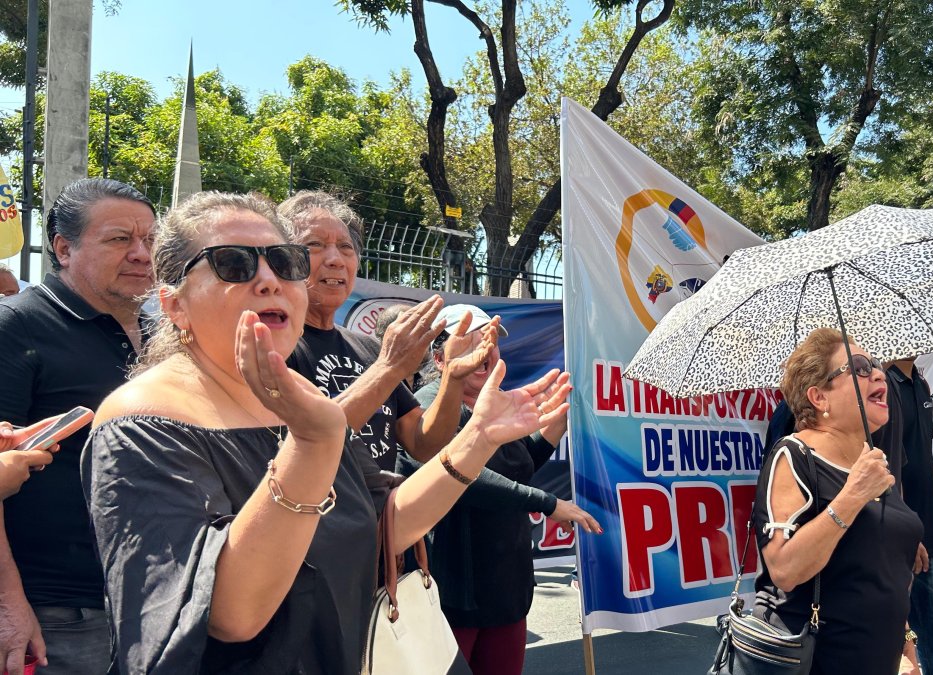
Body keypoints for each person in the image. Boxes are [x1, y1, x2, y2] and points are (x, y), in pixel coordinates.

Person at [81, 190, 572, 672]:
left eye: (284, 261)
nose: (269, 279)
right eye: (234, 264)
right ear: (174, 305)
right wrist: (314, 444)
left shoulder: (296, 399)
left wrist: (478, 438)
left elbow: (387, 526)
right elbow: (231, 615)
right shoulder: (142, 423)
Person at [279, 191, 594, 530]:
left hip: (374, 547)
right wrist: (390, 368)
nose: (336, 260)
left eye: (346, 247)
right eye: (315, 245)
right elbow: (316, 442)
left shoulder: (367, 349)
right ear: (282, 258)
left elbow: (424, 444)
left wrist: (455, 384)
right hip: (307, 542)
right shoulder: (276, 350)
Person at [0, 178, 155, 675]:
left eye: (150, 240)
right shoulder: (16, 326)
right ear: (64, 248)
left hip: (153, 604)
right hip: (56, 617)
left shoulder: (165, 336)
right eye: (119, 239)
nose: (141, 254)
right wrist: (8, 605)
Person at [414, 304, 598, 675]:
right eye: (472, 343)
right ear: (439, 357)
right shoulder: (431, 406)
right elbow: (465, 479)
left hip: (505, 591)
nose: (486, 352)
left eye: (492, 342)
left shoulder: (496, 399)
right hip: (456, 594)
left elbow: (519, 464)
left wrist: (555, 425)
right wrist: (547, 503)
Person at [753, 328, 922, 675]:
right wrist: (853, 495)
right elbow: (784, 569)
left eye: (876, 365)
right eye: (859, 368)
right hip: (816, 661)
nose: (878, 373)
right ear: (819, 397)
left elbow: (886, 571)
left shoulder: (874, 461)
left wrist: (905, 639)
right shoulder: (794, 456)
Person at [872, 356, 933, 675]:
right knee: (897, 639)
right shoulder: (881, 386)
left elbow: (922, 462)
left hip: (929, 535)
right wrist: (907, 532)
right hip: (901, 536)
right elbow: (889, 474)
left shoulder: (920, 383)